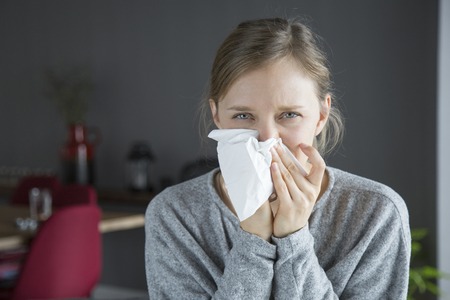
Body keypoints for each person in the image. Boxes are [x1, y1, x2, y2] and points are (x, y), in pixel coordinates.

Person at [145, 17, 411, 299]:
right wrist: (254, 241)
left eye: (289, 115)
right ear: (217, 116)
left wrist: (293, 238)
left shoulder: (376, 213)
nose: (267, 141)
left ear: (321, 115)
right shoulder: (174, 214)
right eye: (243, 116)